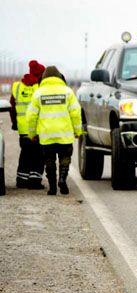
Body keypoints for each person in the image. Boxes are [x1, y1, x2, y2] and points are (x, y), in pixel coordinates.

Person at [26, 66, 83, 196]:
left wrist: (32, 134)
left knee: (49, 160)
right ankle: (62, 179)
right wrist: (78, 131)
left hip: (47, 136)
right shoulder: (68, 92)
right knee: (65, 158)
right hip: (65, 134)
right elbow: (76, 112)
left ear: (43, 78)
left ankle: (52, 188)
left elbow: (31, 116)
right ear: (60, 77)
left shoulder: (38, 93)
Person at [9, 60, 46, 189]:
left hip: (23, 130)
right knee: (38, 155)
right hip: (37, 129)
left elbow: (12, 107)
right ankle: (34, 181)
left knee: (25, 154)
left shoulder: (17, 87)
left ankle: (21, 180)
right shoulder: (41, 88)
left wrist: (15, 123)